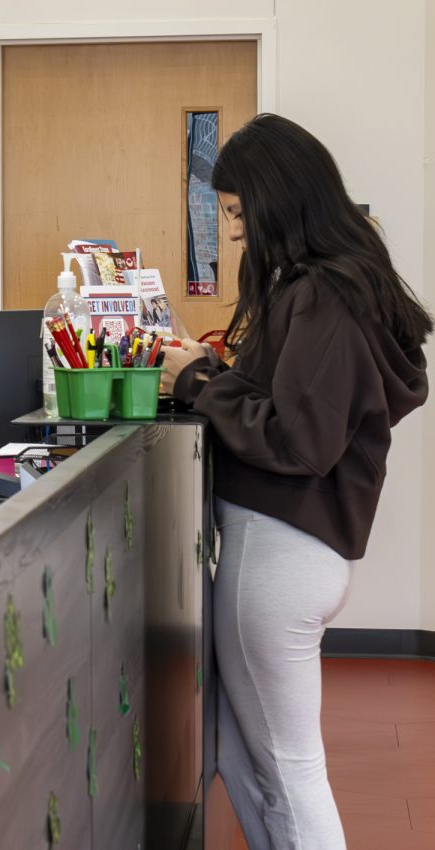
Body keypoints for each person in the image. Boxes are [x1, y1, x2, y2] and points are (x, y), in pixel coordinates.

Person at [160, 114, 430, 849]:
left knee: (288, 766)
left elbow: (296, 439)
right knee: (244, 755)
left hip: (277, 551)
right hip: (298, 550)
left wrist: (198, 385)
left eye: (242, 214)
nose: (238, 234)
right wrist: (214, 376)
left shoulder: (322, 296)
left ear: (283, 199)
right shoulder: (340, 288)